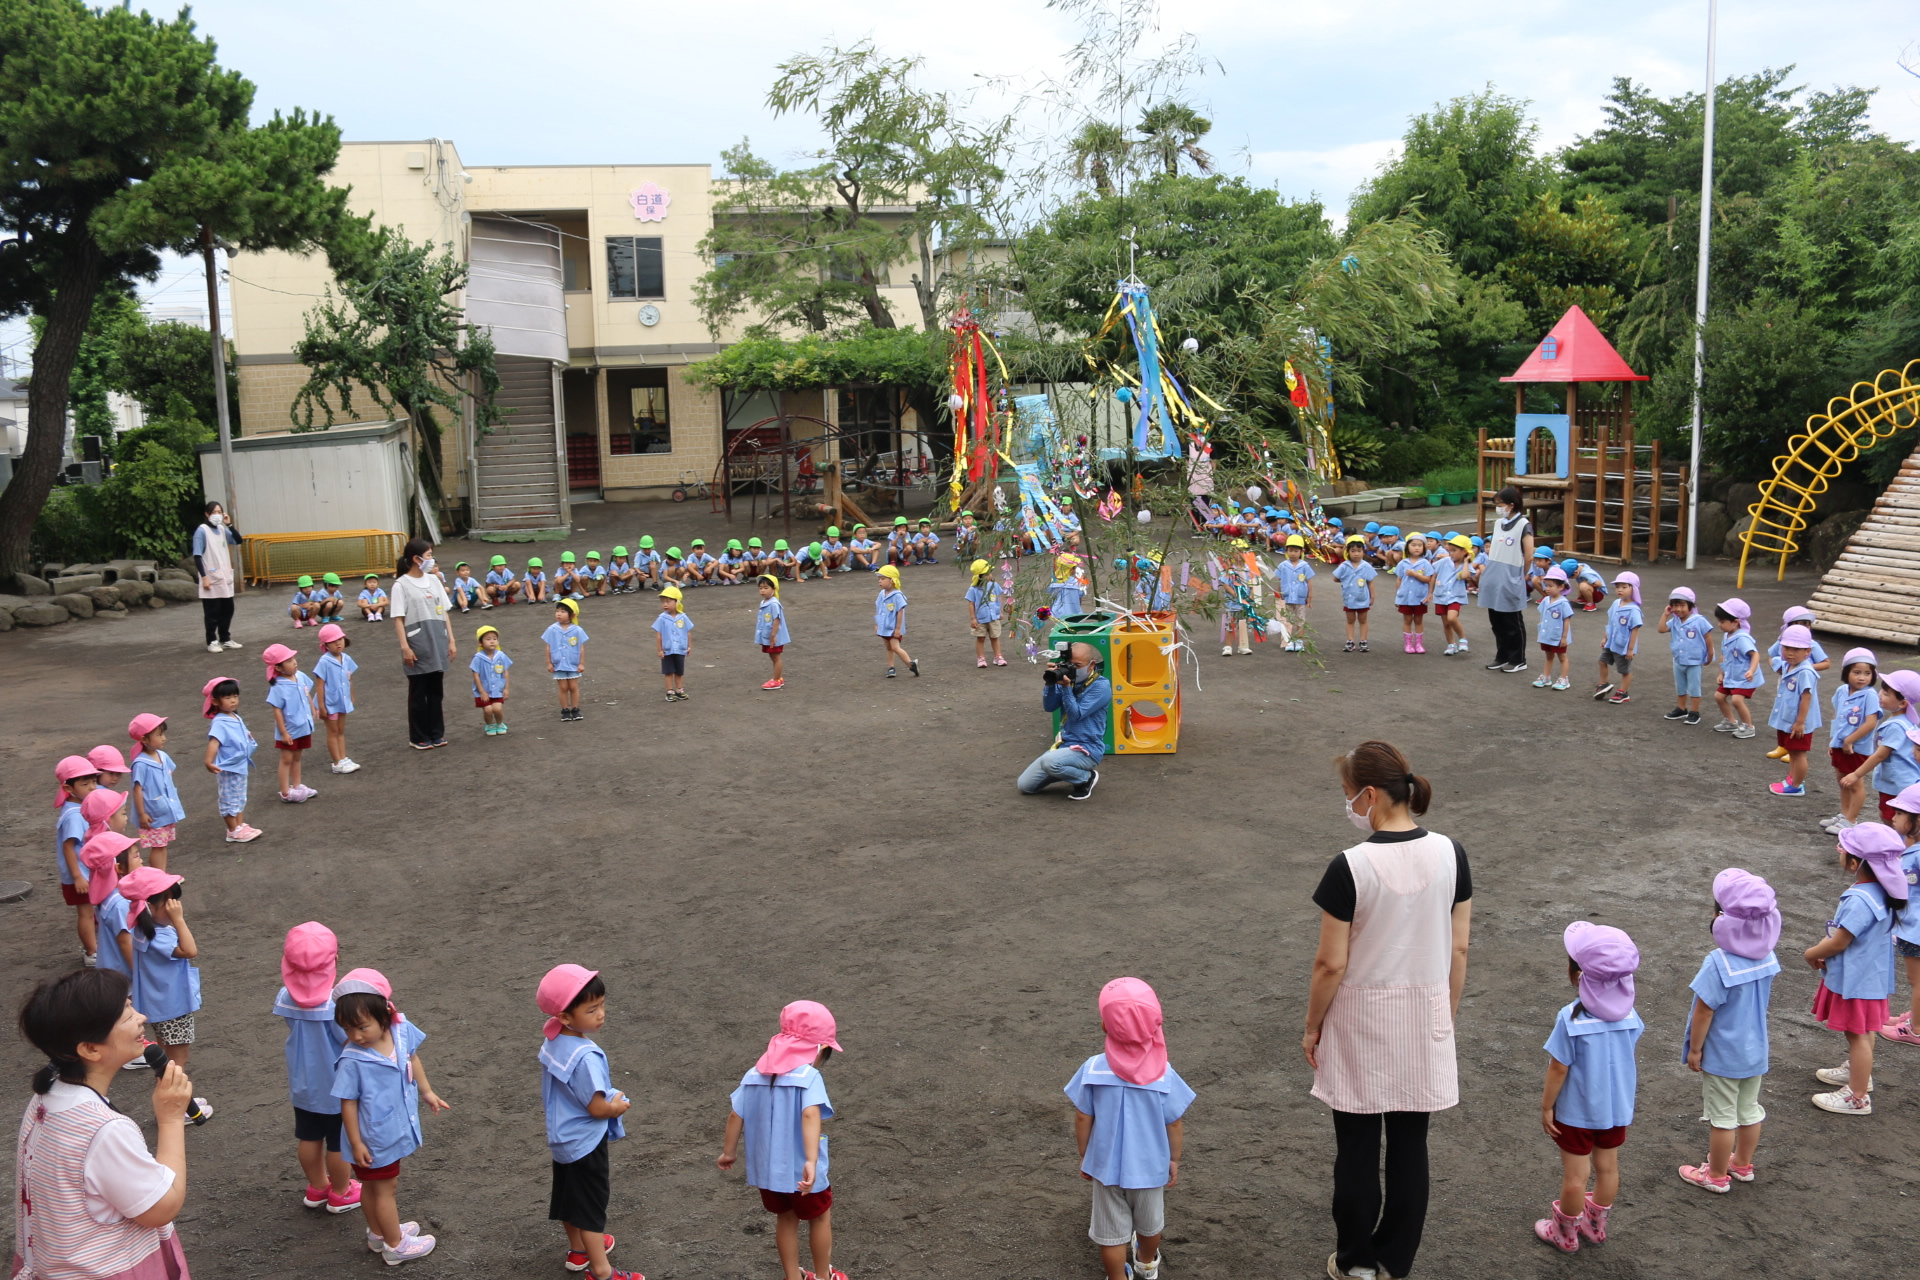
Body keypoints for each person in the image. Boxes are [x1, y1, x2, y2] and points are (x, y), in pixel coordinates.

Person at [1305, 741, 1472, 1280]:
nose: (1349, 804)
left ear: (1370, 795)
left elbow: (1330, 964)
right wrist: (1444, 1014)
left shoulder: (1350, 867)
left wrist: (1312, 1027)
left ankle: (1354, 1261)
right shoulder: (1452, 853)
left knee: (1355, 1149)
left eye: (1350, 796)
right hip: (1424, 1011)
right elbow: (1460, 948)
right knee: (1409, 1147)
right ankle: (1393, 1259)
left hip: (1360, 1018)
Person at [12, 969, 196, 1280]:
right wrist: (171, 1116)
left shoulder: (44, 1098)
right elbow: (163, 1207)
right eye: (126, 1015)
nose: (141, 1017)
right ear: (91, 1049)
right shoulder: (104, 1129)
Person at [1064, 977, 1194, 1280]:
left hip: (1106, 1166)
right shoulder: (1164, 1074)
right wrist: (1173, 1159)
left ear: (1105, 1027)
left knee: (1111, 1235)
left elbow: (1083, 1117)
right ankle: (1146, 1263)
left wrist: (1087, 1155)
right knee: (1150, 1227)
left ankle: (1117, 1277)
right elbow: (1173, 1121)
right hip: (1150, 1169)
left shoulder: (1094, 1068)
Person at [718, 1001, 846, 1280]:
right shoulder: (809, 1077)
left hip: (768, 1172)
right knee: (820, 1217)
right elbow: (810, 1115)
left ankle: (792, 1276)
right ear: (820, 1049)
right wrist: (811, 1160)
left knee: (785, 1218)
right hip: (801, 1170)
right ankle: (824, 1276)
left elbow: (735, 1115)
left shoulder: (754, 1075)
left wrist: (729, 1152)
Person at [1534, 922, 1642, 1252]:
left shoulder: (1571, 1018)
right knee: (1608, 1168)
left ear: (1578, 974)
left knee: (1576, 1178)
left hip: (1577, 1111)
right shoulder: (1630, 1015)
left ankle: (1564, 1233)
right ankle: (1595, 1226)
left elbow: (1558, 1067)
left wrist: (1547, 1105)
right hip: (1616, 1108)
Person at [330, 968, 447, 1264]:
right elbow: (348, 1103)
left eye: (362, 1027)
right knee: (385, 1189)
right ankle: (395, 1245)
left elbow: (412, 1057)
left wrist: (427, 1091)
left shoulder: (401, 1029)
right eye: (347, 1029)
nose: (355, 1036)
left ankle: (379, 1233)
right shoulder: (352, 1059)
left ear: (385, 1013)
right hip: (374, 1137)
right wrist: (356, 1143)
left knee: (373, 1186)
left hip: (387, 1130)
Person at [1677, 869, 1780, 1193]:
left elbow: (1704, 1010)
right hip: (1755, 1050)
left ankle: (1717, 1175)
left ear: (1721, 918)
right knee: (1749, 1110)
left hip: (1723, 1053)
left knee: (1722, 1118)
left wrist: (1695, 1050)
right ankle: (1742, 1164)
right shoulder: (1767, 955)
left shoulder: (1717, 963)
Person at [537, 965, 640, 1280]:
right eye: (592, 1009)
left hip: (563, 1137)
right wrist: (616, 1107)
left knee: (571, 1199)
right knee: (592, 1210)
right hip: (585, 1141)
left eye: (602, 1005)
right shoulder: (586, 1056)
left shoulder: (553, 1040)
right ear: (566, 1017)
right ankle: (602, 1271)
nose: (601, 1014)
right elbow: (597, 1108)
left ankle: (579, 1250)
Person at [1804, 822, 1908, 1114]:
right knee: (1864, 1031)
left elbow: (1839, 942)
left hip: (1856, 980)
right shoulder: (1881, 892)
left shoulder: (1860, 898)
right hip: (1869, 976)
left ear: (1854, 862)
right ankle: (1859, 1073)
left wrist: (1811, 952)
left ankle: (1857, 1096)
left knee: (1857, 1034)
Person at [275, 922, 360, 1215]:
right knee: (339, 1142)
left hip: (304, 1083)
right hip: (337, 1086)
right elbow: (351, 1040)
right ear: (334, 961)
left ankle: (317, 1186)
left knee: (309, 1136)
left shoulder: (285, 997)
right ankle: (341, 1192)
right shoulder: (338, 1004)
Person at [120, 867, 203, 1082]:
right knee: (177, 1061)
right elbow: (190, 950)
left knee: (166, 1059)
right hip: (173, 1007)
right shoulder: (158, 935)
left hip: (158, 1005)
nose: (174, 907)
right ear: (149, 906)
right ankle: (178, 1108)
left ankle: (172, 1103)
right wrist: (179, 920)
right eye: (168, 902)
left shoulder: (142, 929)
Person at [1019, 641, 1111, 801]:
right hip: (1064, 746)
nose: (1072, 669)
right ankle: (1064, 768)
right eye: (1070, 664)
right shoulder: (1066, 679)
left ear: (1091, 665)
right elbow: (1049, 706)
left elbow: (1076, 715)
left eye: (1077, 665)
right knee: (1025, 786)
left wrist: (1067, 688)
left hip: (1088, 749)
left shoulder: (1101, 686)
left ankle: (1085, 778)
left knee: (1050, 762)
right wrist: (1051, 682)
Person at [391, 539, 455, 751]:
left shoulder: (434, 580)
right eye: (428, 555)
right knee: (419, 691)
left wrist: (451, 640)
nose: (431, 560)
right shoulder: (401, 585)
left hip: (437, 638)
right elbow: (398, 618)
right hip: (417, 641)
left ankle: (437, 733)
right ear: (415, 559)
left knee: (436, 690)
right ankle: (418, 736)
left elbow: (444, 611)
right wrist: (405, 647)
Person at [1842, 669, 1920, 822]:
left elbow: (1880, 755)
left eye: (1886, 693)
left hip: (1897, 784)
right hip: (1902, 782)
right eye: (1882, 690)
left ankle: (1898, 845)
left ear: (1902, 703)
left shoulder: (1896, 726)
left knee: (1892, 818)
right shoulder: (1905, 722)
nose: (1880, 694)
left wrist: (1856, 774)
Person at [1478, 486, 1536, 672]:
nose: (1498, 508)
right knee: (1496, 620)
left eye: (1500, 504)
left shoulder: (1523, 525)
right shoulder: (1498, 524)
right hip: (1494, 576)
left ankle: (1518, 659)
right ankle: (1501, 655)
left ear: (1511, 505)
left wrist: (1521, 575)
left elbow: (1528, 556)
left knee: (1512, 621)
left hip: (1511, 576)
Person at [1824, 649, 1881, 833]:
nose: (1862, 678)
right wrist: (1833, 741)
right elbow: (1836, 716)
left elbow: (1871, 722)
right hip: (1840, 745)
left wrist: (1849, 741)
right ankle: (1844, 814)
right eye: (1856, 672)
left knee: (1855, 783)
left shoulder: (1870, 695)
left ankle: (1851, 819)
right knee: (1842, 779)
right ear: (1846, 672)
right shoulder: (1841, 691)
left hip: (1857, 748)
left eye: (1867, 673)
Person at [1881, 782, 1920, 1047]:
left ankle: (1915, 1029)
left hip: (1915, 929)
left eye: (1899, 814)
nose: (1893, 818)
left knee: (1916, 980)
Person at [202, 676, 262, 843]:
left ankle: (240, 825)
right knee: (229, 798)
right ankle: (232, 830)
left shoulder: (234, 716)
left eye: (235, 696)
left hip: (239, 765)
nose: (233, 701)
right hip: (229, 767)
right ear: (215, 701)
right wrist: (209, 761)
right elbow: (214, 742)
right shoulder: (219, 722)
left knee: (240, 797)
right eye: (228, 698)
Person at [55, 755, 102, 966]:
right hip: (80, 876)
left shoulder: (79, 807)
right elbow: (69, 847)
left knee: (91, 912)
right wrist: (77, 877)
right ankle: (92, 952)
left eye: (93, 781)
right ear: (69, 788)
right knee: (85, 913)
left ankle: (93, 946)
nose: (92, 787)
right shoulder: (74, 815)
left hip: (86, 873)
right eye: (85, 784)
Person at [1767, 625, 1821, 798]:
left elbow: (1806, 698)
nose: (1790, 652)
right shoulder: (1788, 666)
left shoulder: (1805, 671)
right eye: (1786, 647)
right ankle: (1792, 779)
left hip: (1798, 722)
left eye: (1796, 649)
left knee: (1798, 754)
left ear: (1807, 651)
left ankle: (1797, 785)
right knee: (1792, 751)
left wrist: (1800, 722)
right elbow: (1771, 658)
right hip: (1788, 719)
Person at [262, 642, 317, 805]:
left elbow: (307, 693)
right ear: (278, 667)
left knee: (297, 757)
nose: (294, 662)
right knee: (286, 759)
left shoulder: (300, 676)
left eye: (293, 658)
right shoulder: (277, 686)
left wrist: (313, 709)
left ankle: (297, 786)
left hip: (303, 726)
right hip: (290, 729)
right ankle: (286, 791)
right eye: (289, 660)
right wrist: (284, 732)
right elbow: (277, 710)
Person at [128, 714, 184, 872]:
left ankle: (162, 875)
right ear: (144, 739)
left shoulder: (163, 756)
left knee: (163, 844)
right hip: (152, 812)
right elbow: (137, 789)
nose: (164, 738)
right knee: (158, 846)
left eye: (163, 734)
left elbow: (169, 773)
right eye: (159, 735)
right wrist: (141, 813)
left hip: (164, 808)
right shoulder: (140, 763)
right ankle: (159, 877)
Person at [192, 499, 243, 653]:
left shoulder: (222, 529)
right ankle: (212, 641)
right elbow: (197, 555)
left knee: (228, 609)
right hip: (211, 578)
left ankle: (225, 638)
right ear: (207, 514)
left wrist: (229, 525)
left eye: (219, 512)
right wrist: (204, 577)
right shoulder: (201, 531)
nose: (217, 515)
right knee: (212, 612)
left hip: (224, 576)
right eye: (213, 512)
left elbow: (238, 540)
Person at [1658, 587, 1715, 725]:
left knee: (1694, 687)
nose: (1678, 609)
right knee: (1681, 686)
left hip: (1694, 660)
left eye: (1682, 605)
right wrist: (1665, 615)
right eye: (1675, 605)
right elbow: (1661, 629)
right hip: (1678, 659)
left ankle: (1694, 712)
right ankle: (1681, 709)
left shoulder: (1699, 620)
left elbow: (1708, 638)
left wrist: (1710, 654)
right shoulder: (1675, 620)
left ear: (1691, 605)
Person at [311, 624, 361, 775]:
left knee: (340, 730)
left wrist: (351, 696)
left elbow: (349, 678)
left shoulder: (346, 658)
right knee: (332, 732)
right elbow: (319, 685)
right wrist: (321, 706)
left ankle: (343, 757)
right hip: (329, 703)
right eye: (333, 641)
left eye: (340, 639)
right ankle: (337, 762)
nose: (338, 643)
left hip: (342, 701)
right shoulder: (324, 661)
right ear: (325, 645)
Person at [1712, 600, 1762, 738]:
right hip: (1731, 675)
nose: (1719, 624)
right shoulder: (1726, 635)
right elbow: (1723, 655)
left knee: (1737, 700)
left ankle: (1749, 727)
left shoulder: (1742, 638)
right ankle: (1731, 721)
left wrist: (1751, 671)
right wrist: (1720, 673)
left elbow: (1755, 654)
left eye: (1722, 621)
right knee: (1719, 696)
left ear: (1735, 622)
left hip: (1744, 677)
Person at [1592, 573, 1643, 704]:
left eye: (1624, 587)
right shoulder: (1616, 603)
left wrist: (1630, 649)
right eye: (1618, 587)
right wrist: (1605, 638)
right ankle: (1603, 683)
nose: (1620, 590)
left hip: (1624, 645)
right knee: (1602, 661)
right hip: (1611, 642)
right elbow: (1610, 622)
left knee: (1624, 670)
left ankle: (1623, 692)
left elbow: (1634, 630)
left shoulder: (1634, 610)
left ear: (1633, 589)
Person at [543, 599, 589, 722]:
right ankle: (564, 710)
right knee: (563, 687)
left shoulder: (577, 630)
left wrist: (581, 663)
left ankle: (575, 708)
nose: (559, 614)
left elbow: (581, 647)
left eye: (563, 611)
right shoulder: (552, 629)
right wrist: (549, 662)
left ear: (572, 614)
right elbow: (548, 646)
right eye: (557, 611)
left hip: (573, 663)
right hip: (558, 664)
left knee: (573, 687)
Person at [1533, 567, 1575, 691]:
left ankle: (1564, 678)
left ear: (1561, 587)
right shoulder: (1546, 600)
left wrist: (1564, 637)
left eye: (1551, 586)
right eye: (1546, 585)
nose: (1547, 588)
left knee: (1562, 657)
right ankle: (1546, 676)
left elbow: (1567, 620)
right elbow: (1543, 616)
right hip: (1547, 635)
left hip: (1558, 636)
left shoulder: (1563, 603)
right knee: (1548, 656)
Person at [1333, 535, 1376, 654]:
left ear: (1363, 551)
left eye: (1359, 551)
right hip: (1349, 598)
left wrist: (1372, 596)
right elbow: (1335, 578)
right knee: (1350, 620)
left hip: (1363, 598)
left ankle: (1363, 641)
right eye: (1353, 551)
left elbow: (1370, 582)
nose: (1356, 554)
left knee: (1363, 620)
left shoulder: (1366, 566)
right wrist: (1346, 581)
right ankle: (1350, 641)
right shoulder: (1344, 566)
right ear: (1348, 552)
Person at [469, 625, 514, 736]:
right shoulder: (478, 658)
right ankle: (489, 725)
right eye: (488, 639)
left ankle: (499, 723)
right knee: (488, 709)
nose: (492, 641)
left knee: (497, 709)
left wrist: (506, 688)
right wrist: (482, 692)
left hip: (497, 688)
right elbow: (476, 675)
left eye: (494, 638)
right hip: (484, 689)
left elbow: (505, 672)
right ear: (481, 643)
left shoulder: (501, 656)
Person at [1392, 534, 1434, 654]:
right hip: (1405, 597)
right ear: (1407, 547)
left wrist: (1415, 574)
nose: (1417, 548)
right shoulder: (1402, 563)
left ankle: (1419, 643)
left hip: (1420, 597)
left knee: (1419, 620)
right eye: (1413, 545)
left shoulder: (1425, 563)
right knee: (1407, 620)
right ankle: (1408, 643)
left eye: (1420, 545)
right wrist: (1398, 596)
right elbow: (1399, 579)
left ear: (1424, 548)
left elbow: (1428, 579)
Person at [1277, 535, 1318, 654]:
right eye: (1290, 550)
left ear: (1301, 551)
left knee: (1300, 620)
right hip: (1287, 596)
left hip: (1300, 597)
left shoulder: (1304, 565)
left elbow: (1309, 581)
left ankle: (1299, 641)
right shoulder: (1283, 565)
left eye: (1296, 551)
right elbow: (1279, 580)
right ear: (1286, 551)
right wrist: (1279, 595)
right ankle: (1288, 640)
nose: (1293, 553)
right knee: (1287, 619)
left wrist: (1310, 596)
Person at [652, 586, 693, 703]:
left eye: (668, 601)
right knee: (668, 671)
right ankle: (670, 691)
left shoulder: (683, 617)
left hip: (680, 648)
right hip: (668, 649)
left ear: (677, 602)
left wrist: (689, 646)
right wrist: (660, 649)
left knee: (679, 671)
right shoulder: (662, 618)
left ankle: (680, 689)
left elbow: (688, 632)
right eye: (663, 602)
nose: (665, 604)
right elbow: (658, 635)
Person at [874, 565, 916, 678]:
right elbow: (879, 609)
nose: (880, 581)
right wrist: (877, 624)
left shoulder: (897, 595)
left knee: (895, 647)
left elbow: (900, 612)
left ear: (892, 581)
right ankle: (891, 667)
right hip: (884, 626)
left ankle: (910, 664)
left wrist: (898, 628)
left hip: (893, 628)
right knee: (888, 648)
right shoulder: (881, 594)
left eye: (883, 579)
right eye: (879, 579)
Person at [1431, 536, 1470, 656]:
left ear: (1464, 551)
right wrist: (1430, 592)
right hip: (1441, 595)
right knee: (1446, 623)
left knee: (1451, 618)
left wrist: (1466, 561)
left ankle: (1463, 639)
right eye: (1450, 550)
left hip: (1456, 596)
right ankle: (1451, 644)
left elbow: (1465, 576)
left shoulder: (1466, 565)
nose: (1451, 553)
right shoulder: (1443, 562)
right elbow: (1433, 575)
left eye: (1454, 550)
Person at [965, 559, 1007, 668]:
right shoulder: (973, 589)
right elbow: (971, 604)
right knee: (980, 638)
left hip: (994, 617)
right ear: (981, 575)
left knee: (995, 637)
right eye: (988, 573)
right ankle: (981, 658)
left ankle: (998, 656)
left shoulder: (994, 585)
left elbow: (999, 598)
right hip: (980, 618)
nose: (991, 575)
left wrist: (1000, 611)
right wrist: (973, 618)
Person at [755, 575, 790, 691]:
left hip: (774, 636)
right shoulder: (765, 601)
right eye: (760, 588)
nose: (762, 590)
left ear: (774, 589)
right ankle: (778, 677)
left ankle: (777, 680)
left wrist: (773, 636)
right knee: (773, 656)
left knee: (776, 657)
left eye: (766, 587)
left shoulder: (774, 604)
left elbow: (776, 619)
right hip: (769, 635)